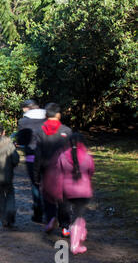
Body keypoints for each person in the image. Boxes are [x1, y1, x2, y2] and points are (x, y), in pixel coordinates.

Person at [46, 133, 95, 254]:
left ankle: (70, 229)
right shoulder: (88, 157)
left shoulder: (62, 156)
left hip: (66, 190)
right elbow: (91, 171)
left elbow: (58, 173)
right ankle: (75, 244)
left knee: (67, 212)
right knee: (78, 216)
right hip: (83, 191)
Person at [33, 103, 72, 237]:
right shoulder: (66, 131)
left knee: (48, 197)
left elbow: (37, 155)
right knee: (64, 199)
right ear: (59, 115)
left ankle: (50, 219)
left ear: (45, 115)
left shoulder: (40, 132)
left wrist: (36, 175)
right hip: (63, 170)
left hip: (47, 171)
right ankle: (65, 227)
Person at [16, 99, 46, 223]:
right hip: (48, 155)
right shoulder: (47, 118)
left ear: (26, 108)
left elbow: (22, 141)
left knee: (35, 184)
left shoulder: (23, 121)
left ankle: (38, 214)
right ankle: (52, 213)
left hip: (32, 157)